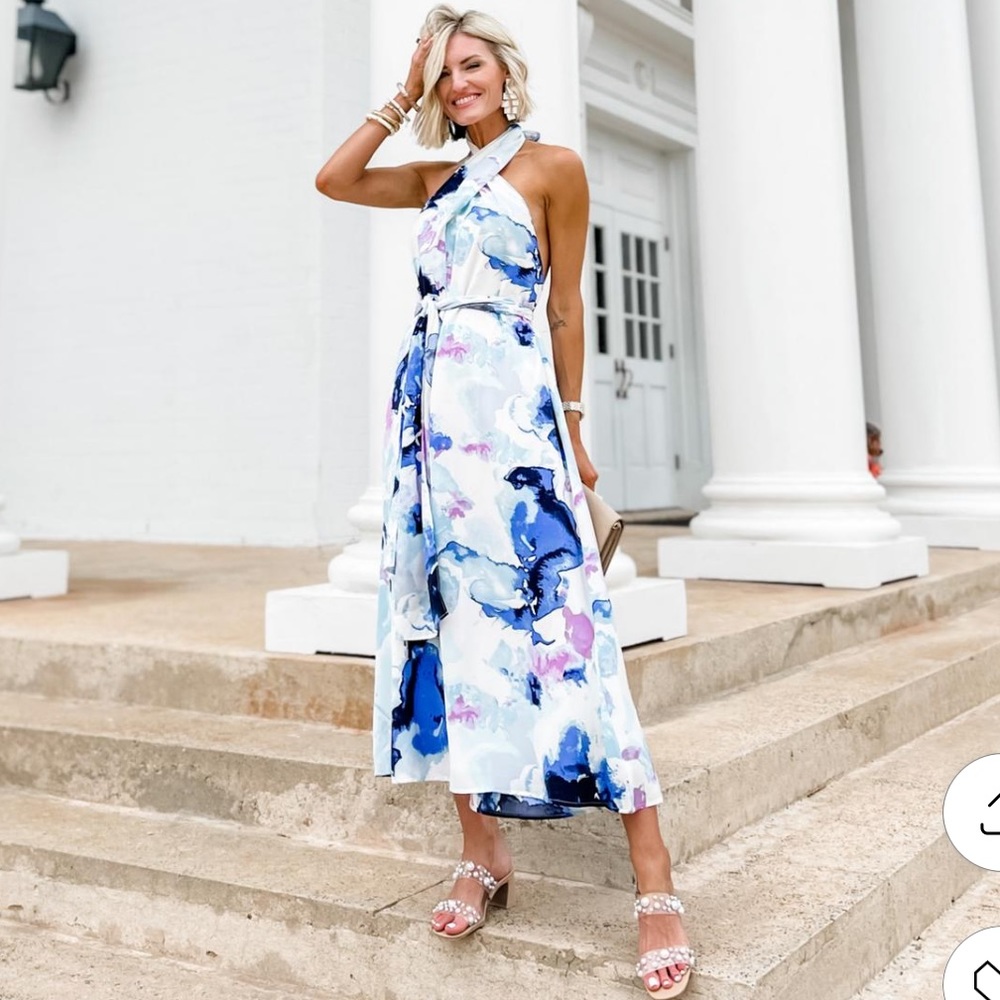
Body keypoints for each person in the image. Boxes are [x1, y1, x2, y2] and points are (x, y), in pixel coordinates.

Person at [315, 6, 694, 996]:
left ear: (504, 69)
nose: (458, 86)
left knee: (570, 631)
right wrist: (401, 90)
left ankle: (652, 875)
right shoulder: (436, 177)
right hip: (430, 435)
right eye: (445, 76)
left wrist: (573, 430)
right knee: (447, 634)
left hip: (518, 426)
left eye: (469, 66)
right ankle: (484, 854)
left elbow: (566, 306)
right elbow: (334, 178)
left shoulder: (552, 168)